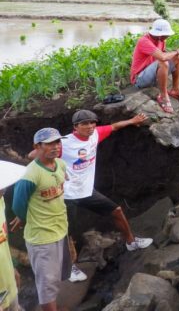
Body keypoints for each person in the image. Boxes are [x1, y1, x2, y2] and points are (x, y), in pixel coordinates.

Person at [60, 109, 153, 282]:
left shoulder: (95, 134)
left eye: (92, 122)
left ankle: (131, 242)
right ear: (75, 127)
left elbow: (114, 126)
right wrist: (55, 170)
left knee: (116, 210)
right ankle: (68, 268)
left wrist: (132, 121)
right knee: (66, 232)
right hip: (67, 195)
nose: (89, 126)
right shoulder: (63, 143)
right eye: (85, 124)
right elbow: (36, 155)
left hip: (87, 191)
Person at [11, 128, 71, 311]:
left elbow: (61, 181)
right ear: (37, 147)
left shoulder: (60, 164)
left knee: (57, 277)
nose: (55, 147)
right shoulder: (30, 175)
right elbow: (18, 205)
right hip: (42, 238)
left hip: (60, 229)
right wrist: (22, 217)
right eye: (50, 143)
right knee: (47, 284)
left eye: (58, 142)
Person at [130, 18, 179, 114]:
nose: (168, 36)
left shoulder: (161, 41)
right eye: (166, 34)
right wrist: (176, 52)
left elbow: (165, 55)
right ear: (159, 34)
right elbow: (162, 57)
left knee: (178, 58)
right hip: (140, 79)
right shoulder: (144, 41)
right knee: (163, 61)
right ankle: (163, 96)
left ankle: (175, 90)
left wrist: (178, 57)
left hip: (151, 75)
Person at [0, 161, 28, 311]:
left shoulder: (1, 201)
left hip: (7, 280)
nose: (4, 189)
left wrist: (12, 268)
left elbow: (2, 241)